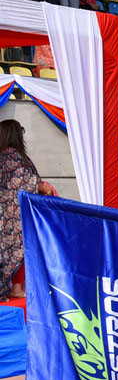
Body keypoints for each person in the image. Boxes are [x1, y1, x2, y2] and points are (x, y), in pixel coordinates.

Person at [0, 119, 45, 301]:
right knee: (20, 249)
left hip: (8, 211)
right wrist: (44, 188)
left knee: (13, 250)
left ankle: (18, 286)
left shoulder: (5, 154)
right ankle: (16, 288)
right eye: (21, 130)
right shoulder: (12, 155)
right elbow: (27, 182)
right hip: (15, 213)